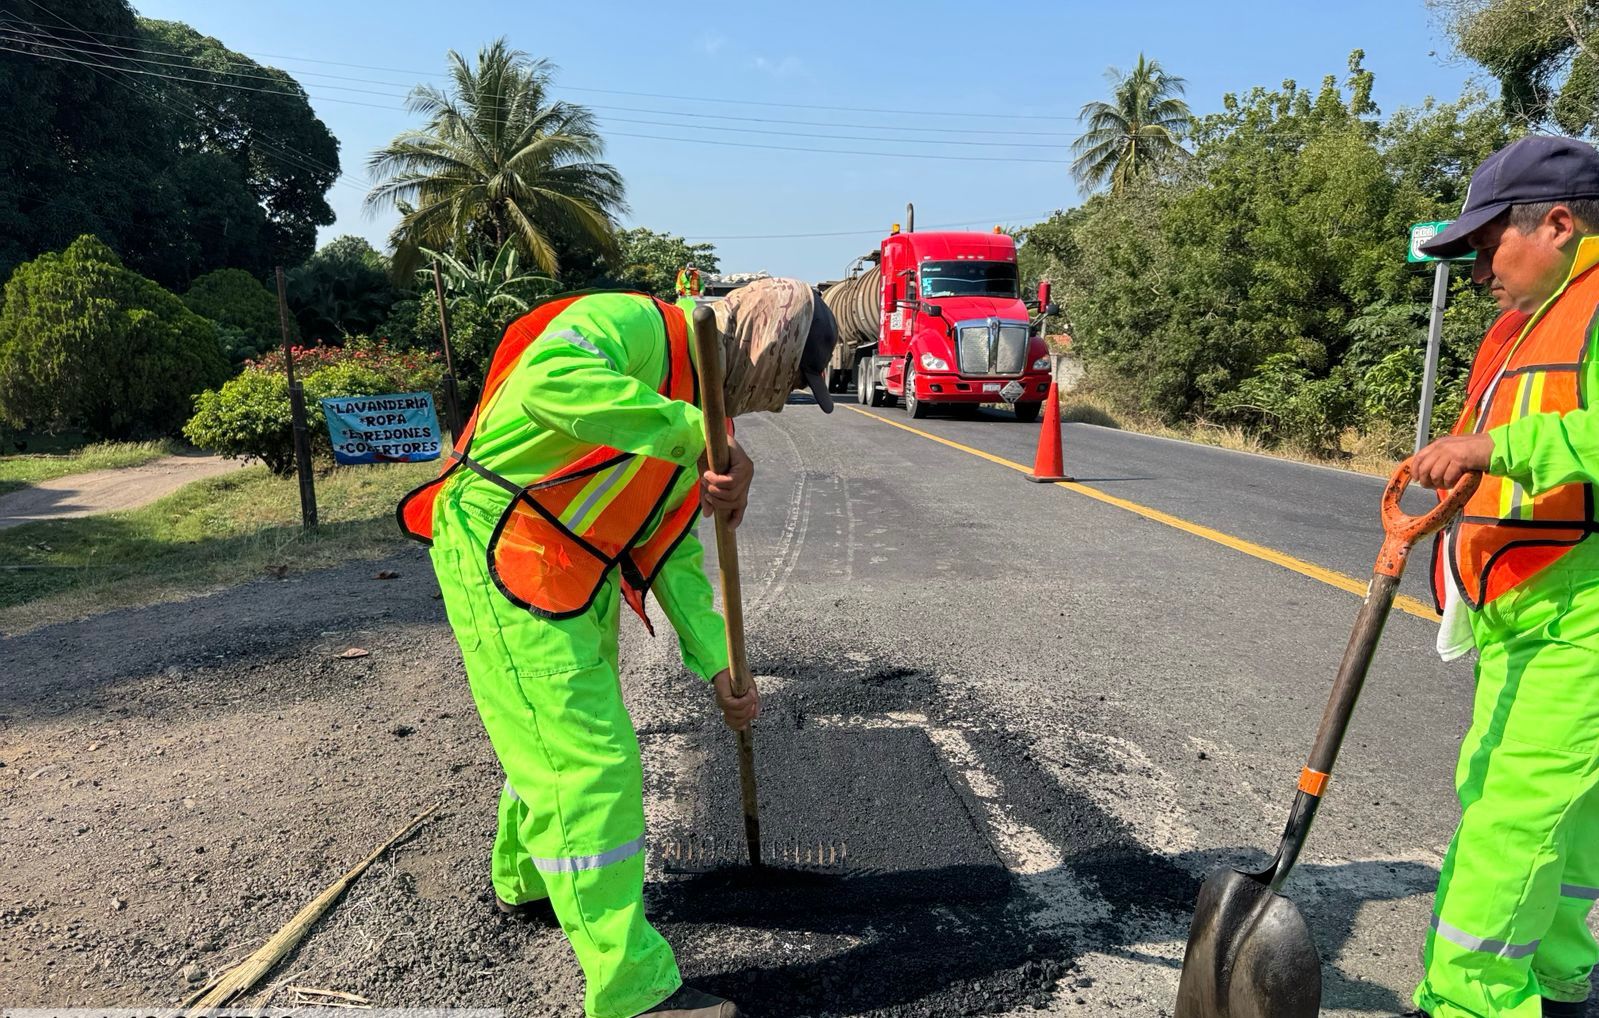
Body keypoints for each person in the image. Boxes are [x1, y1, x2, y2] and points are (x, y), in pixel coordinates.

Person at [399, 279, 837, 1018]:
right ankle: (630, 990)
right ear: (770, 346)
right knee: (588, 759)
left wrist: (720, 663)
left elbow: (672, 548)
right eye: (791, 380)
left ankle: (526, 877)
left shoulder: (694, 408)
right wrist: (699, 434)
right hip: (506, 547)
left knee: (547, 734)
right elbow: (549, 380)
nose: (778, 400)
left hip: (575, 569)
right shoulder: (629, 324)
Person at [1403, 135, 1599, 1018]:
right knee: (1540, 815)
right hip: (1517, 611)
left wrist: (1496, 447)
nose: (1479, 267)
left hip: (1582, 613)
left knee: (1510, 823)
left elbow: (1532, 443)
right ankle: (1557, 983)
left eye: (1489, 246)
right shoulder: (1519, 326)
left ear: (1556, 222)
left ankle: (1469, 1004)